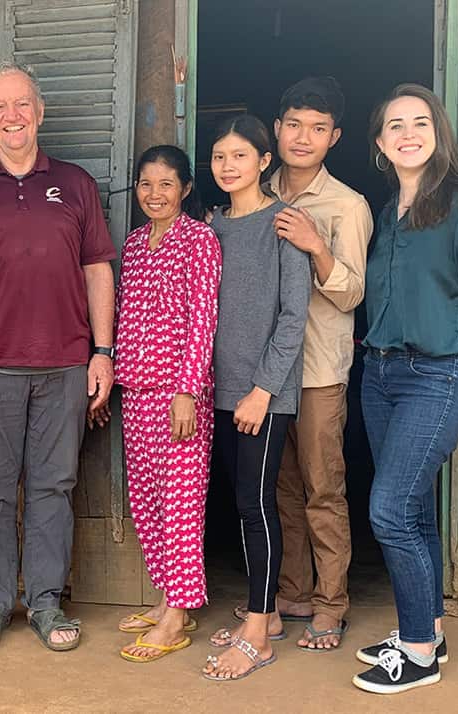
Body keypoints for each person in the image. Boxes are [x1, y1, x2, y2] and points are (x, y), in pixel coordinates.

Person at [0, 62, 117, 653]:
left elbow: (97, 270)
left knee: (53, 487)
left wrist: (101, 351)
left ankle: (45, 602)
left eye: (22, 104)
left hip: (65, 362)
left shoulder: (76, 183)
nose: (12, 116)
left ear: (39, 112)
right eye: (0, 107)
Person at [352, 83, 458, 695]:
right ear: (380, 142)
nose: (408, 133)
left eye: (420, 122)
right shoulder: (387, 211)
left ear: (438, 132)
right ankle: (429, 629)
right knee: (411, 508)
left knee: (388, 509)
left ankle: (416, 653)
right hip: (381, 373)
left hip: (441, 373)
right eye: (395, 125)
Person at [239, 77, 373, 651]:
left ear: (334, 137)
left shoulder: (347, 204)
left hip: (317, 369)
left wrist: (317, 245)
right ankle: (290, 591)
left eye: (318, 129)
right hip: (264, 373)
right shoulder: (253, 187)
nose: (303, 137)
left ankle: (330, 603)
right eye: (294, 124)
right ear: (276, 129)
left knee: (323, 487)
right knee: (279, 488)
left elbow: (352, 295)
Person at [201, 115, 311, 681]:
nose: (228, 166)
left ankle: (259, 630)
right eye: (219, 156)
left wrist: (264, 390)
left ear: (265, 161)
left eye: (240, 156)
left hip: (263, 393)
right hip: (216, 389)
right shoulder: (211, 226)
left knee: (255, 504)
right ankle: (261, 615)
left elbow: (294, 316)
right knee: (237, 502)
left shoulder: (284, 224)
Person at [114, 145, 222, 663]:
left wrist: (188, 390)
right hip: (135, 389)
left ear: (184, 189)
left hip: (179, 394)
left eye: (165, 185)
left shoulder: (198, 239)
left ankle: (178, 615)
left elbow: (203, 318)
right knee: (149, 502)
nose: (154, 194)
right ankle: (166, 598)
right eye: (145, 184)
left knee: (180, 503)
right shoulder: (135, 243)